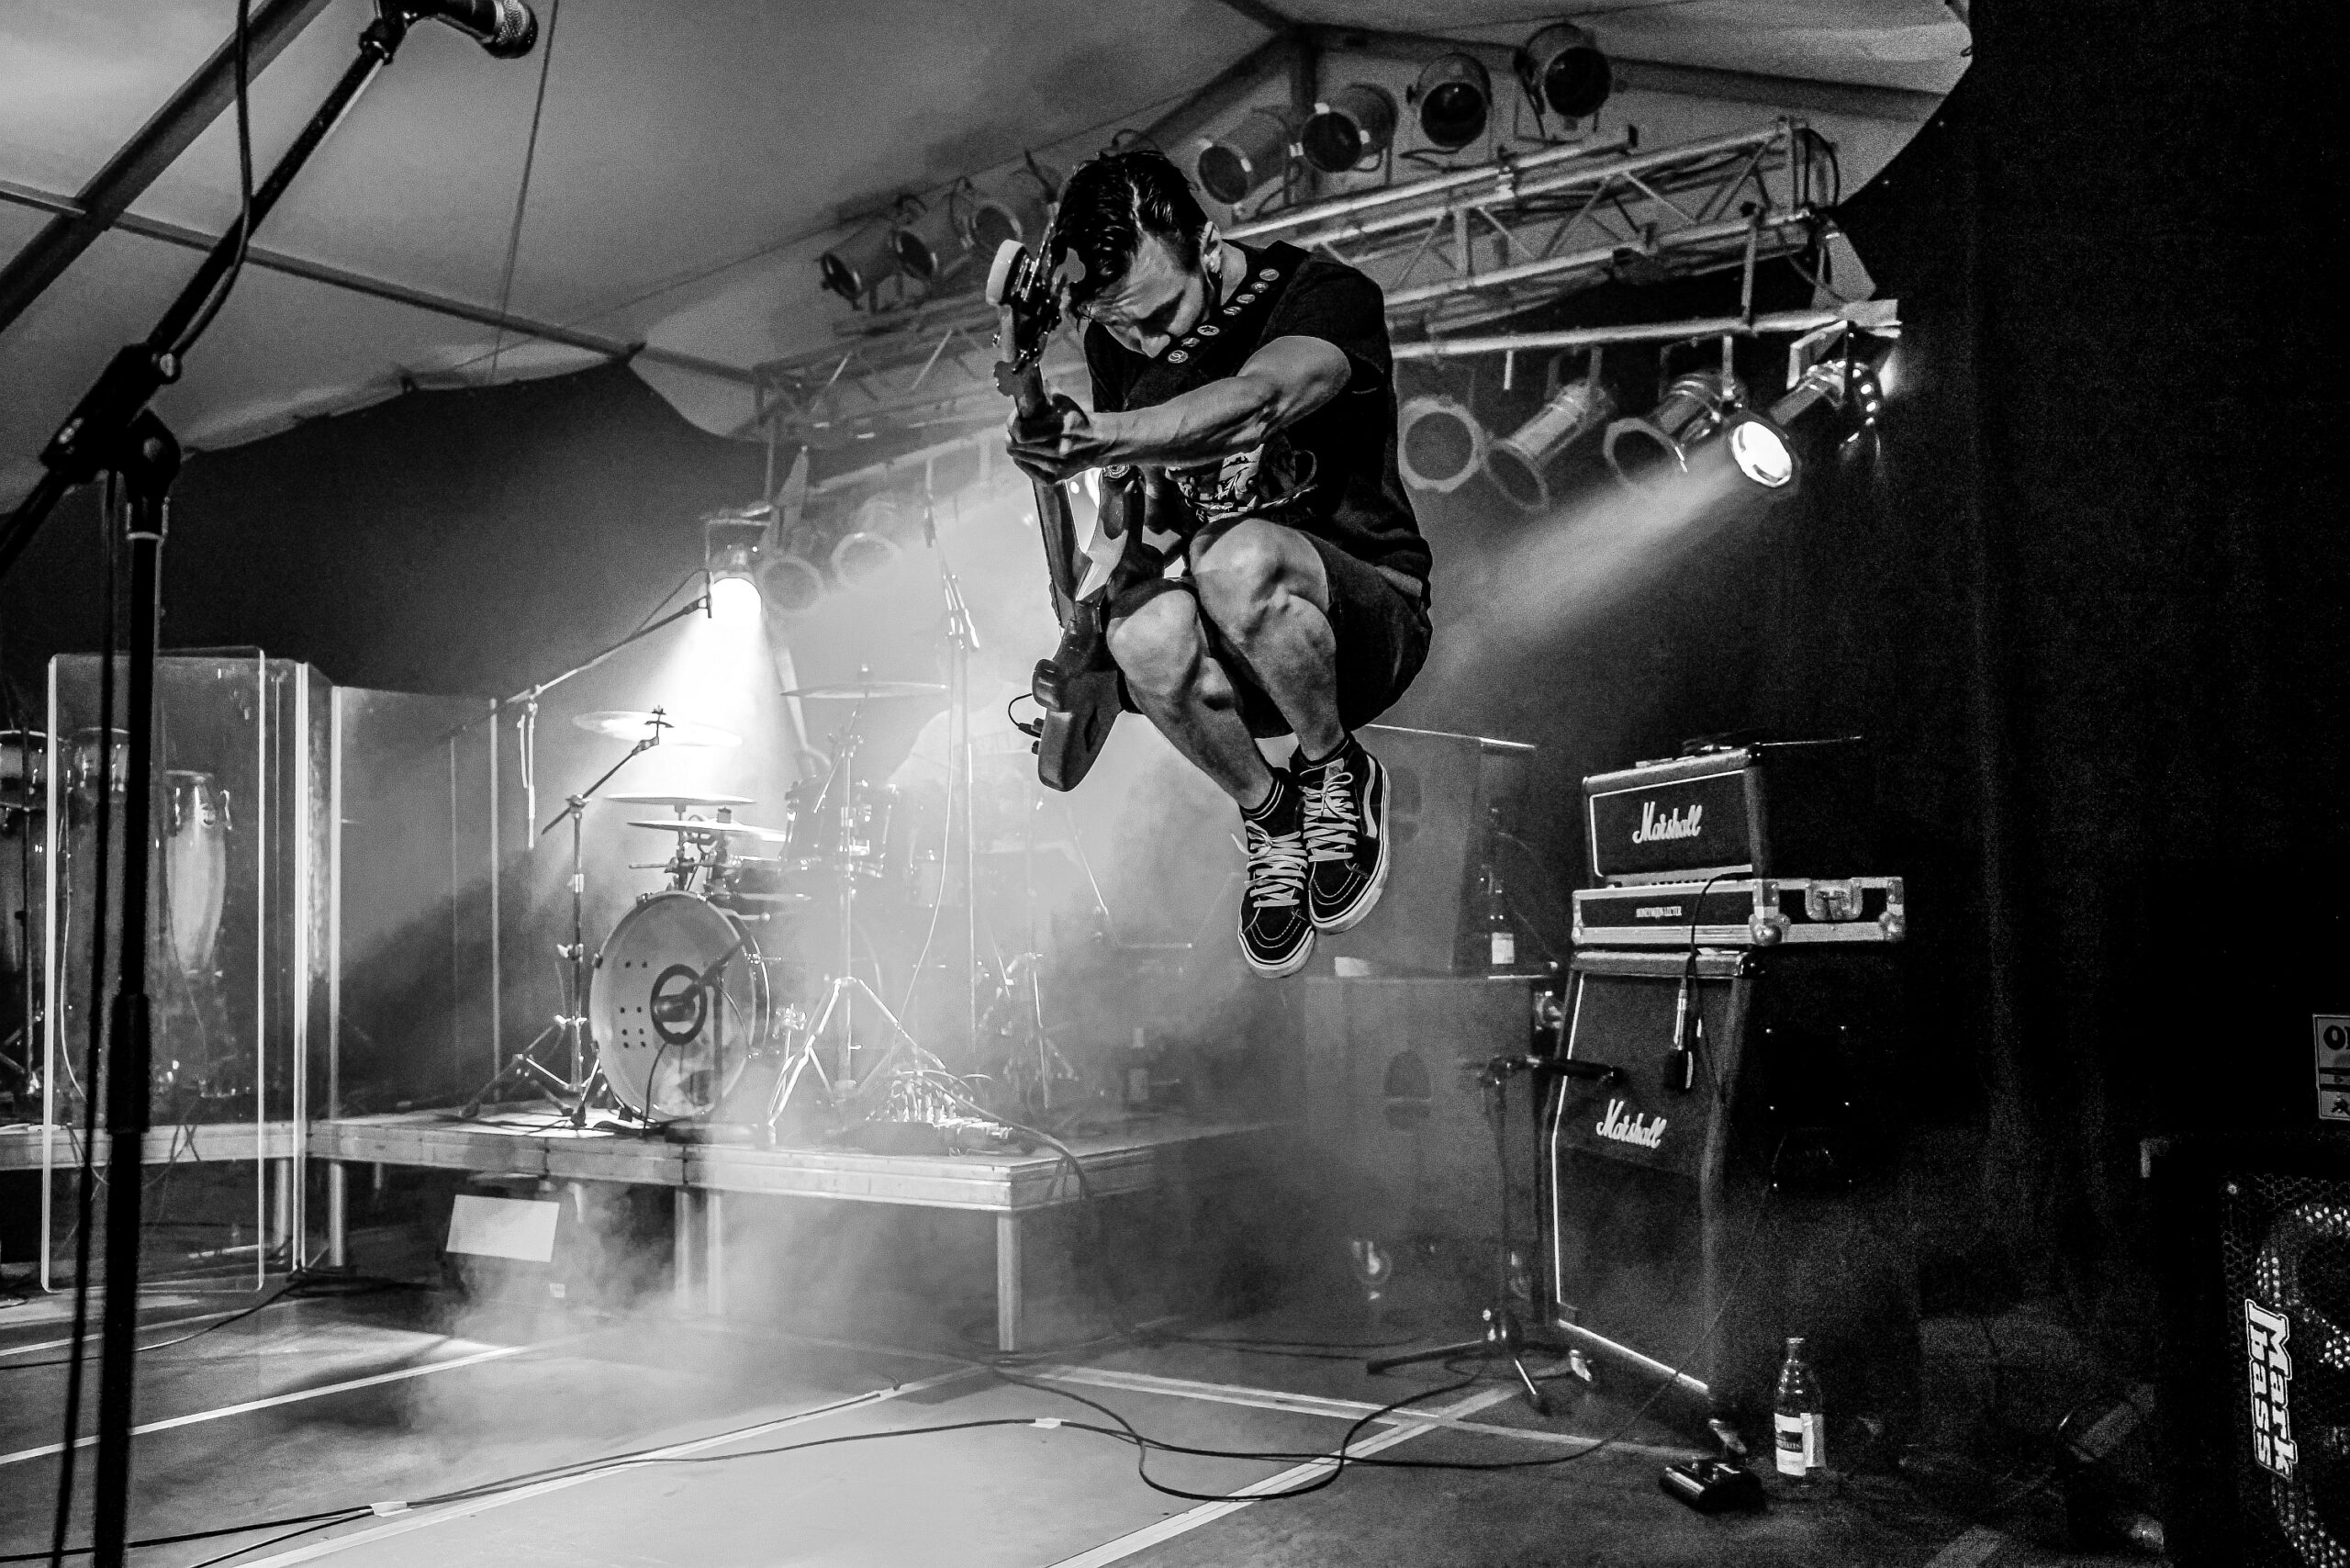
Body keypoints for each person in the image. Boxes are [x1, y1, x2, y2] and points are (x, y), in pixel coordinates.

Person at [1006, 148, 1432, 978]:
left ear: (1206, 243)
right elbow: (1147, 519)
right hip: (1244, 660)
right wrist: (1090, 615)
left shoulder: (1321, 292)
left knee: (1232, 558)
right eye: (1121, 327)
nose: (1144, 341)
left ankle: (1334, 766)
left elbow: (1258, 404)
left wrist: (1100, 436)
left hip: (1364, 629)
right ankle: (1269, 812)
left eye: (1160, 315)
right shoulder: (1116, 341)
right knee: (1142, 630)